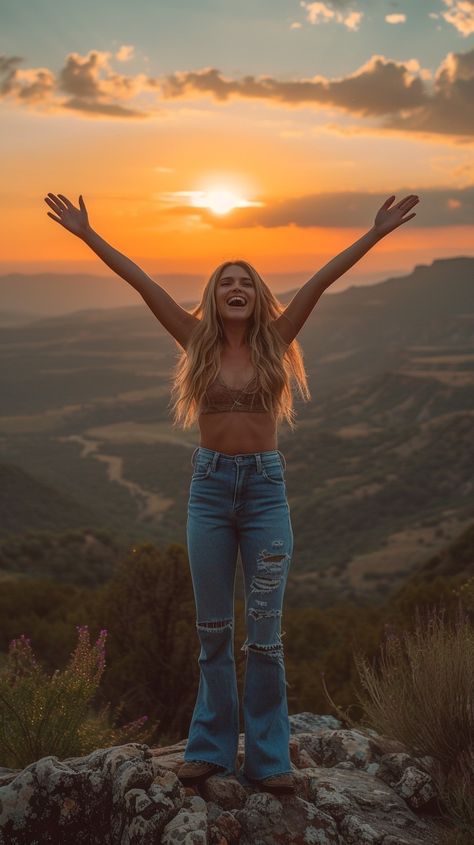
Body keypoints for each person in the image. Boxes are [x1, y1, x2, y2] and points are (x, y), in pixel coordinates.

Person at [44, 190, 420, 795]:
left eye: (246, 280)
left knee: (265, 637)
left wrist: (375, 233)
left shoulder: (278, 338)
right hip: (210, 493)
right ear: (215, 298)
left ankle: (269, 758)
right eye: (226, 283)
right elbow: (143, 284)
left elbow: (322, 280)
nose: (236, 288)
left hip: (267, 492)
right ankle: (211, 749)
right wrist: (88, 235)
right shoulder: (195, 340)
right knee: (213, 629)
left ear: (258, 293)